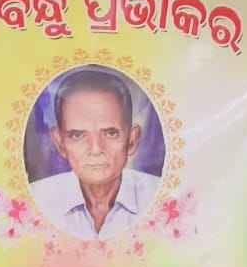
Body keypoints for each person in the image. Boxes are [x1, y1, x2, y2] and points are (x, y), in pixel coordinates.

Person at [28, 66, 160, 240]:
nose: (96, 149)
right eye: (77, 135)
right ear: (60, 144)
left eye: (111, 133)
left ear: (132, 140)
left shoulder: (163, 198)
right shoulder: (33, 201)